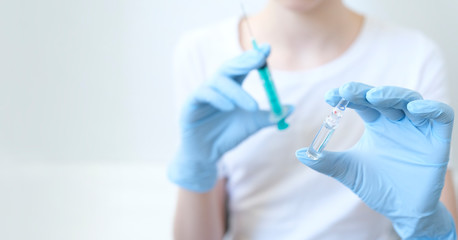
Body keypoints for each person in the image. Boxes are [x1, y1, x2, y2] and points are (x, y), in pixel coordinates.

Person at [168, 0, 457, 239]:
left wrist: (425, 225)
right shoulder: (202, 52)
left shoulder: (414, 55)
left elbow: (436, 211)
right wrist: (197, 168)